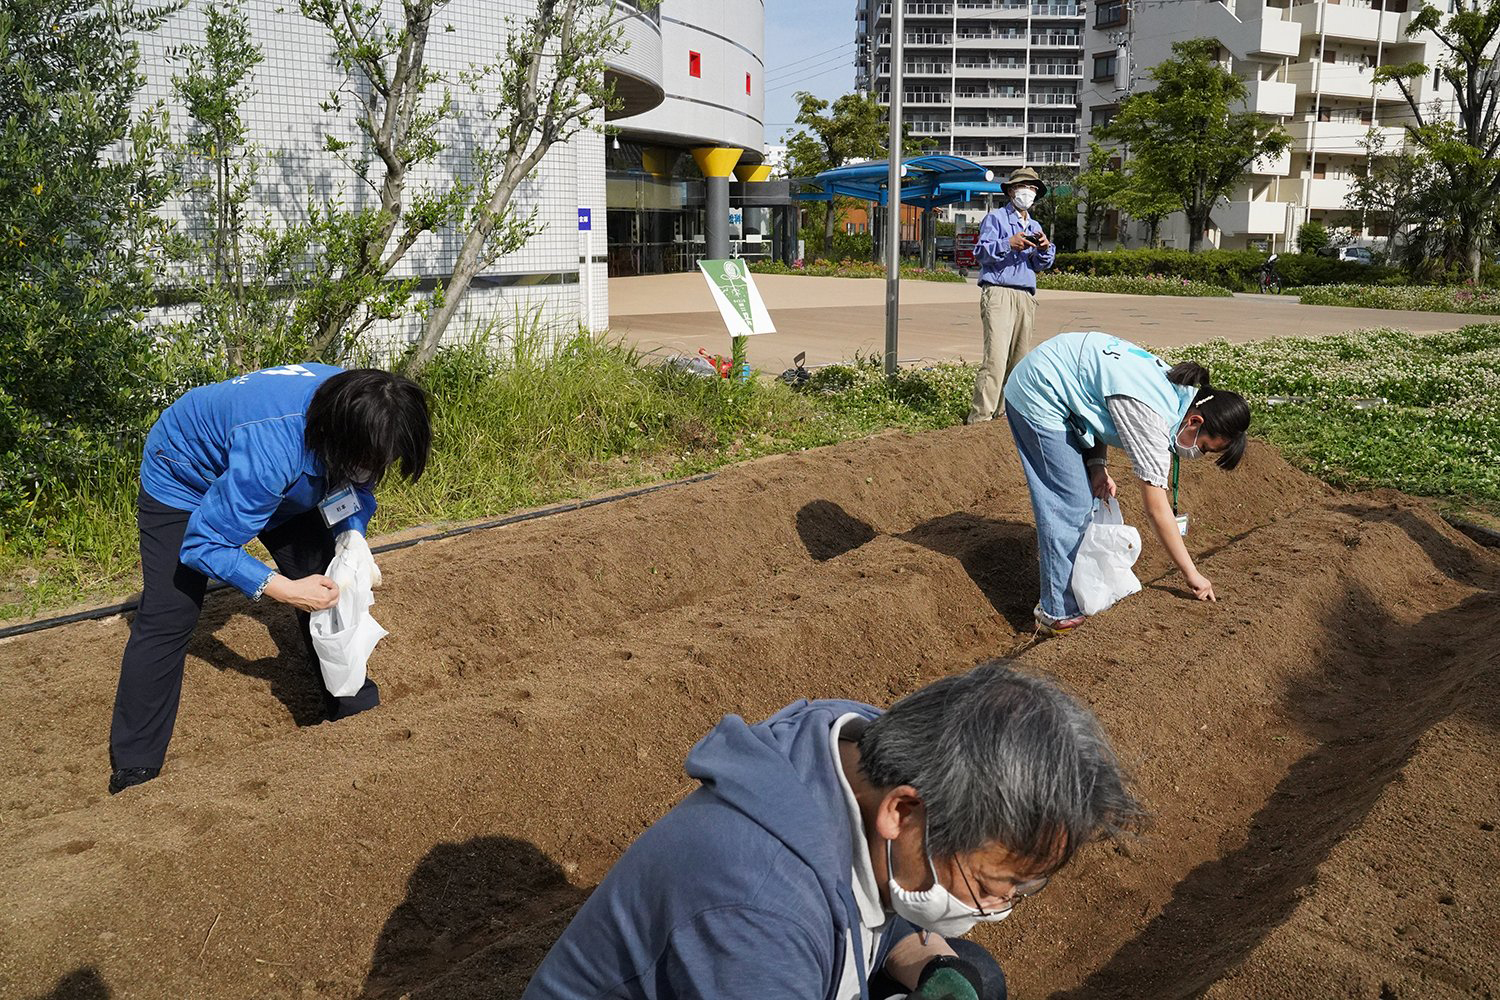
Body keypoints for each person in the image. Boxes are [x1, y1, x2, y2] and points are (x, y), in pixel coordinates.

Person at [523, 662, 1143, 1000]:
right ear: (901, 813)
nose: (1000, 908)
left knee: (973, 976)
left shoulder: (870, 753)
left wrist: (937, 975)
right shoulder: (760, 913)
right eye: (992, 885)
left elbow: (883, 897)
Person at [107, 363, 431, 794]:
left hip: (282, 469)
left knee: (327, 580)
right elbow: (204, 545)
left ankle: (352, 706)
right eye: (370, 460)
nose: (377, 469)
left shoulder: (366, 402)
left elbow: (350, 487)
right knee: (170, 614)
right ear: (341, 438)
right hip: (186, 476)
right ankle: (136, 767)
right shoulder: (274, 449)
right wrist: (284, 589)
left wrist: (351, 534)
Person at [1002, 332, 1252, 636]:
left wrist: (1097, 466)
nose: (1198, 454)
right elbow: (1157, 509)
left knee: (1084, 499)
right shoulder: (1153, 416)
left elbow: (1099, 402)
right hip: (1039, 389)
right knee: (1071, 505)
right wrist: (1192, 573)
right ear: (1195, 422)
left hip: (1066, 385)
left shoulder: (1178, 398)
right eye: (1206, 448)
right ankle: (1055, 612)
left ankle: (1064, 595)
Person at [967, 166, 1057, 425]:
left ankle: (1004, 414)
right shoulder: (995, 219)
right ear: (1010, 191)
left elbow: (1041, 264)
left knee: (1019, 361)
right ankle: (980, 417)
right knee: (995, 358)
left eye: (1032, 188)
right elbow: (980, 253)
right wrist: (1008, 244)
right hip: (999, 292)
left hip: (1025, 296)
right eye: (1022, 187)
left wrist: (1044, 248)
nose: (1027, 192)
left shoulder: (1036, 225)